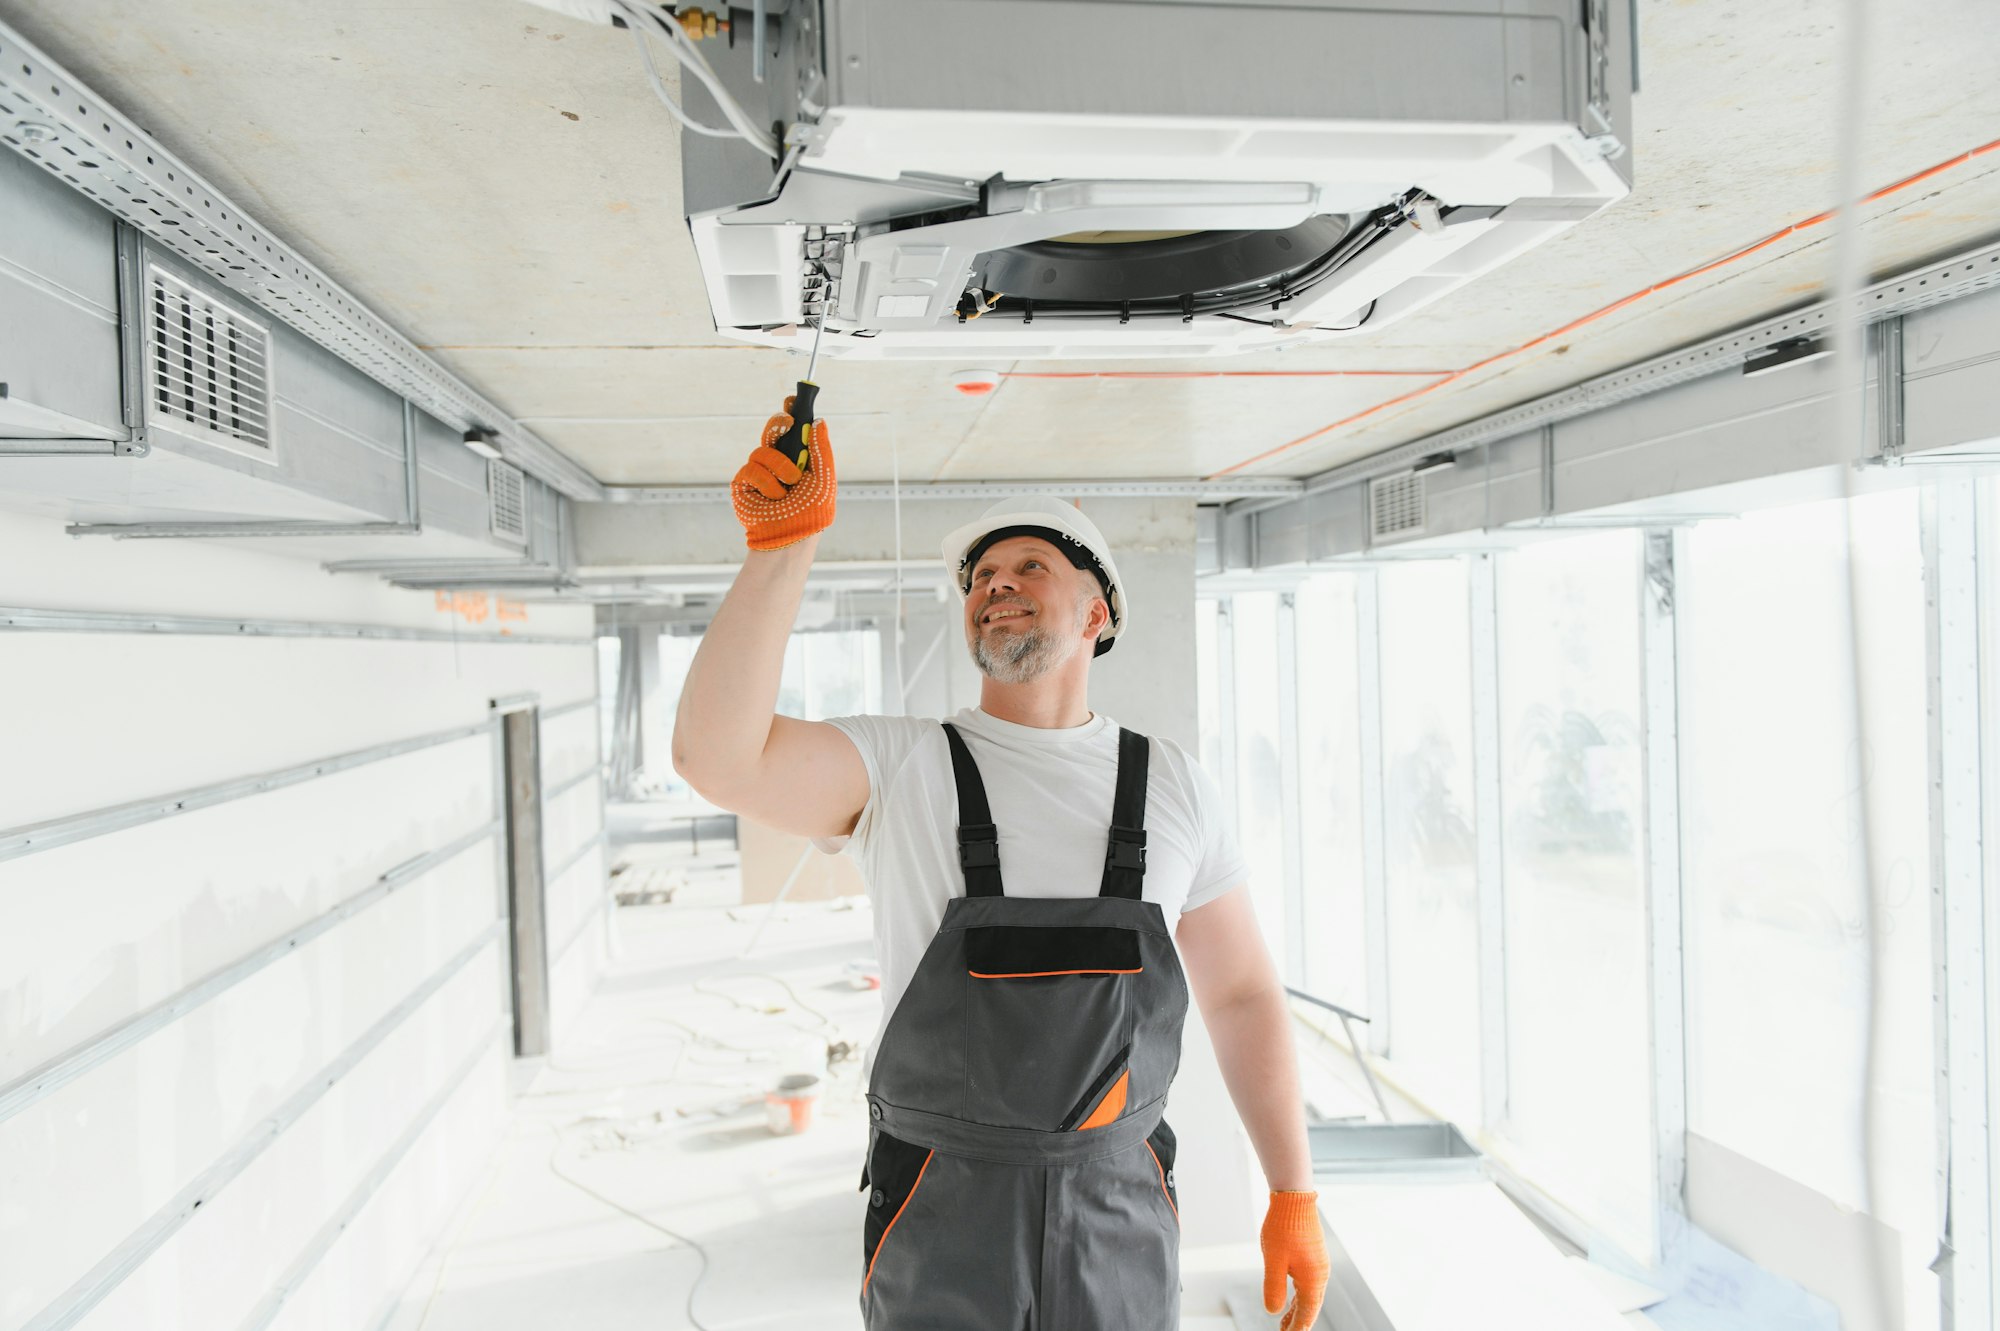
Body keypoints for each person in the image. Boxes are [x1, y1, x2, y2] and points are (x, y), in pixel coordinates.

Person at [672, 396, 1329, 1330]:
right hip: (942, 1216)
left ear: (1098, 610)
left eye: (1032, 564)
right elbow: (714, 757)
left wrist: (1293, 1190)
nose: (997, 582)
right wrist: (783, 549)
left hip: (1122, 1213)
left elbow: (1243, 994)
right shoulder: (900, 765)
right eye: (981, 574)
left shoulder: (1173, 785)